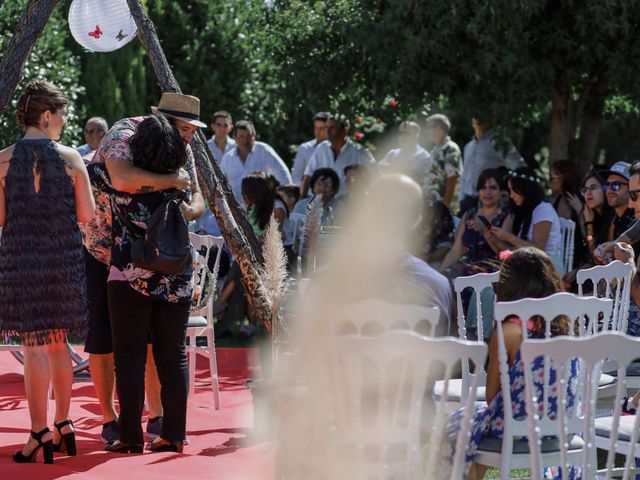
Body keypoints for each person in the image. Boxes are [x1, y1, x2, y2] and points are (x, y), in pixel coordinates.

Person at [82, 92, 203, 445]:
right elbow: (124, 178)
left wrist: (182, 205)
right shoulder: (124, 135)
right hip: (148, 262)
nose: (190, 137)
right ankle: (158, 430)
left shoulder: (177, 146)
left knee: (130, 353)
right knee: (167, 353)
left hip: (129, 270)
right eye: (185, 128)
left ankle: (134, 435)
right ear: (162, 121)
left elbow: (111, 181)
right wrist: (174, 190)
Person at [0, 81, 95, 464]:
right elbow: (86, 215)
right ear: (46, 115)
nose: (65, 120)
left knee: (33, 347)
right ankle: (64, 424)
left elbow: (0, 218)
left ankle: (38, 431)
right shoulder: (72, 158)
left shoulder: (3, 159)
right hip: (62, 258)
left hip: (21, 258)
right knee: (59, 345)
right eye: (62, 113)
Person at [444, 247, 579, 480]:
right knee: (471, 424)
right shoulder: (567, 326)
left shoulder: (509, 330)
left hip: (517, 426)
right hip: (561, 423)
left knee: (461, 422)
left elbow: (492, 397)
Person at [214, 173, 275, 336]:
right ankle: (248, 325)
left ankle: (220, 304)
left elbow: (274, 236)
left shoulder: (274, 209)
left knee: (241, 267)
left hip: (267, 258)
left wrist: (258, 241)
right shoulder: (251, 208)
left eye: (245, 192)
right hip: (251, 258)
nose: (243, 195)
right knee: (242, 270)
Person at [440, 169, 512, 277]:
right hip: (465, 267)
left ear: (501, 191)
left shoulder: (507, 215)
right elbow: (456, 250)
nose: (487, 192)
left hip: (491, 271)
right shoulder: (469, 214)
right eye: (483, 188)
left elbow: (504, 253)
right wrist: (439, 273)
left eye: (492, 188)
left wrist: (484, 231)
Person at [489, 167, 562, 266]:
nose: (511, 196)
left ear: (525, 189)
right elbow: (512, 251)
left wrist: (507, 236)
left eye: (514, 191)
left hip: (546, 268)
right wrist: (494, 239)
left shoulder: (543, 209)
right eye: (510, 191)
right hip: (528, 266)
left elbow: (538, 250)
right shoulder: (524, 210)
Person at [459, 117, 524, 215]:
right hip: (467, 202)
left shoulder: (499, 143)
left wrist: (509, 190)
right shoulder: (468, 146)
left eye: (482, 114)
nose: (478, 118)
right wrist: (461, 198)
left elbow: (520, 168)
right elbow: (465, 176)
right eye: (475, 115)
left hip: (491, 202)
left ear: (491, 120)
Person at [301, 114, 374, 198]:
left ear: (345, 131)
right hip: (321, 203)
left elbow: (374, 179)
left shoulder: (359, 152)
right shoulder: (321, 148)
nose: (327, 131)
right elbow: (308, 176)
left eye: (332, 128)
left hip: (347, 205)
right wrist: (302, 201)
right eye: (326, 127)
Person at [220, 120, 291, 204]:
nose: (245, 140)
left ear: (254, 136)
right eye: (241, 136)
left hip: (261, 206)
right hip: (235, 207)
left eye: (248, 136)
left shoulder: (264, 150)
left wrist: (285, 198)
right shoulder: (227, 158)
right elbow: (219, 181)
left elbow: (282, 173)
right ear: (235, 137)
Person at [549, 160, 588, 268]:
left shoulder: (580, 199)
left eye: (552, 178)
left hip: (577, 260)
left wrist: (580, 210)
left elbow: (588, 234)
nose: (549, 182)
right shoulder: (557, 200)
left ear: (564, 178)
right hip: (557, 257)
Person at [425, 113, 462, 209]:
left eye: (429, 128)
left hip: (443, 206)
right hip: (433, 204)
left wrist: (445, 206)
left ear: (439, 128)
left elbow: (452, 178)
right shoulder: (435, 149)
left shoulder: (450, 148)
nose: (427, 131)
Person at [291, 112, 330, 185]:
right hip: (307, 193)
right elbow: (295, 175)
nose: (317, 131)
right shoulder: (305, 148)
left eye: (321, 128)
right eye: (315, 127)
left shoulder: (335, 149)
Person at [601, 161, 635, 243]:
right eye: (607, 184)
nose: (609, 190)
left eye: (616, 185)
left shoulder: (635, 220)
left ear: (631, 187)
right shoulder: (611, 216)